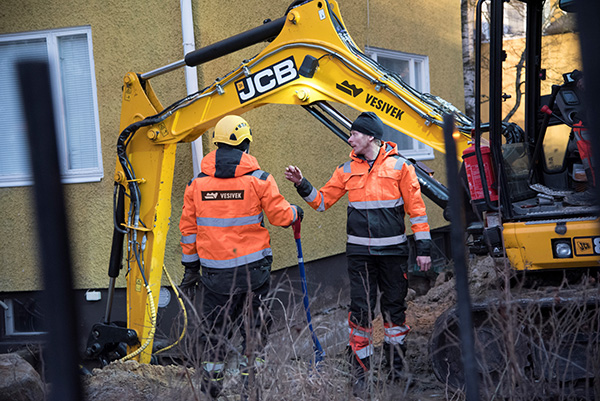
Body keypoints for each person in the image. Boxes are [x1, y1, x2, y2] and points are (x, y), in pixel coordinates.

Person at [284, 111, 432, 396]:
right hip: (360, 257)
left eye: (354, 134)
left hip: (393, 255)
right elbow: (322, 202)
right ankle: (360, 375)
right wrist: (302, 183)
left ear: (370, 137)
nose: (349, 138)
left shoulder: (401, 167)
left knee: (394, 313)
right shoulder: (345, 170)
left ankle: (397, 371)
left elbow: (417, 210)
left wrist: (423, 249)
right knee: (361, 315)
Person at [179, 115, 303, 398]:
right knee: (254, 330)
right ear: (245, 143)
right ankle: (252, 387)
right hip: (253, 275)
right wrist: (297, 211)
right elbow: (282, 217)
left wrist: (190, 269)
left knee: (214, 333)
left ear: (217, 144)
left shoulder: (196, 184)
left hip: (214, 278)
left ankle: (211, 389)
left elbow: (188, 230)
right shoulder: (260, 180)